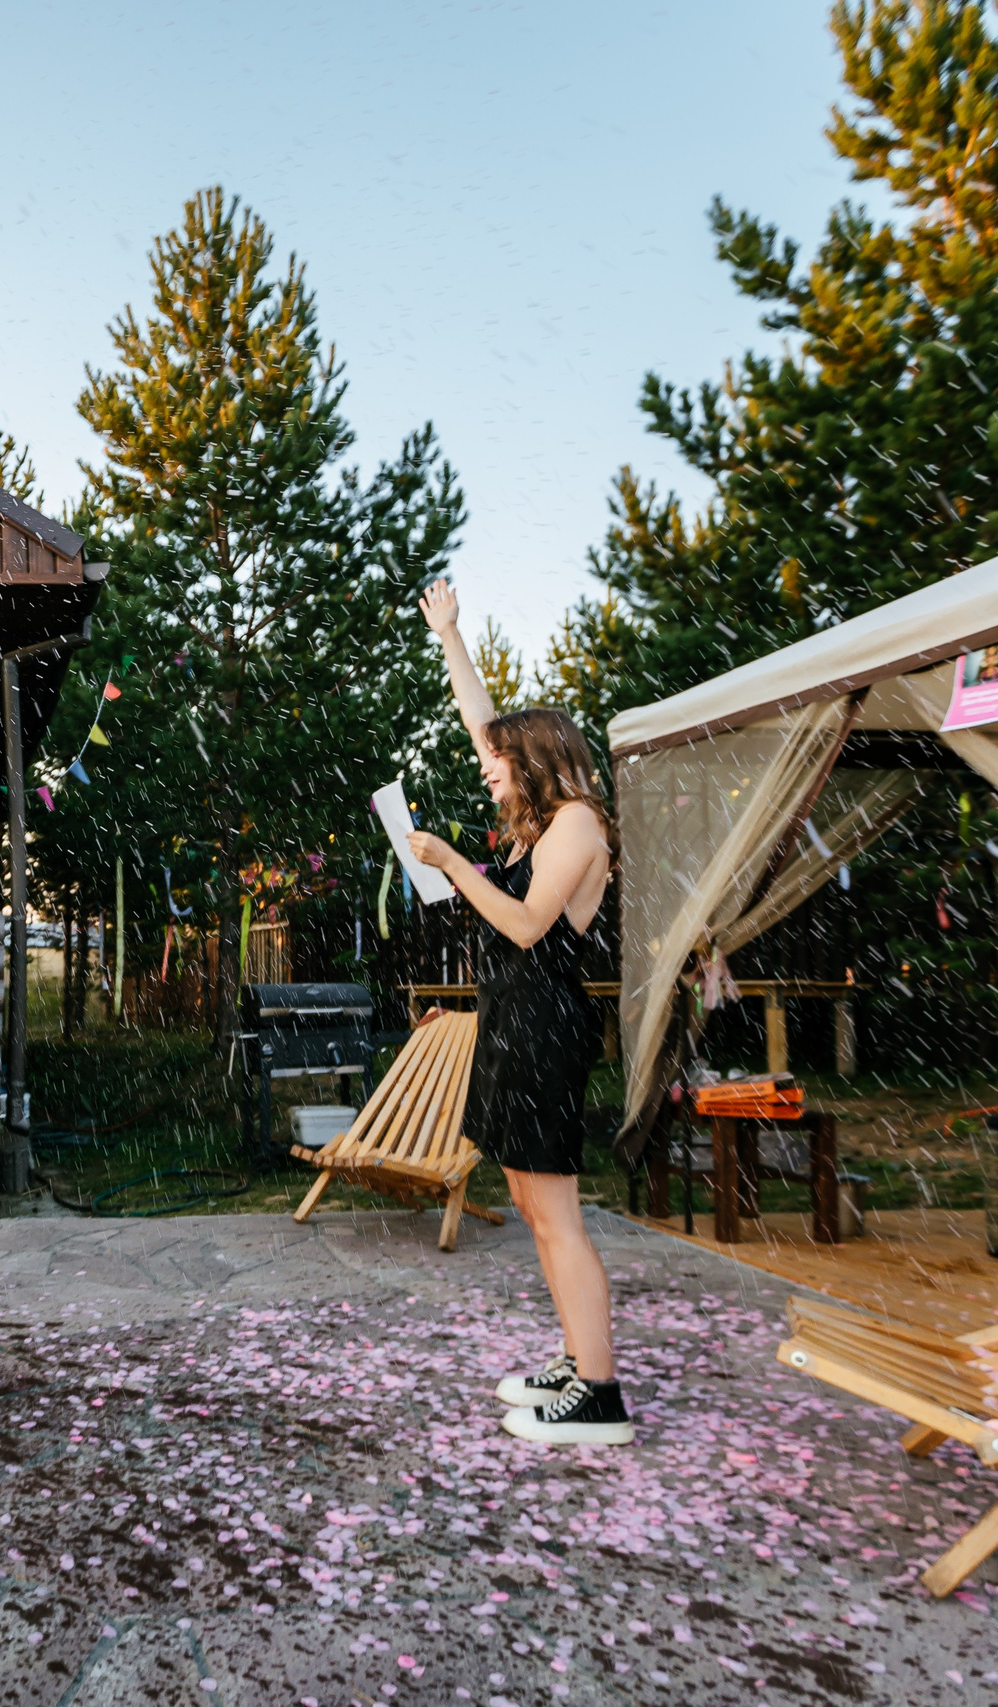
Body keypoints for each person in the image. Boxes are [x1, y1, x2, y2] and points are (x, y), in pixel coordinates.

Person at [412, 578, 632, 1446]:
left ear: (532, 758)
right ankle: (580, 1361)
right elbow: (482, 722)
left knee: (560, 1216)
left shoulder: (577, 824)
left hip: (545, 1026)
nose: (483, 764)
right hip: (514, 1023)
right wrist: (452, 639)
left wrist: (454, 863)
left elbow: (530, 922)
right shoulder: (540, 823)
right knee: (538, 1214)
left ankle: (602, 1392)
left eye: (497, 758)